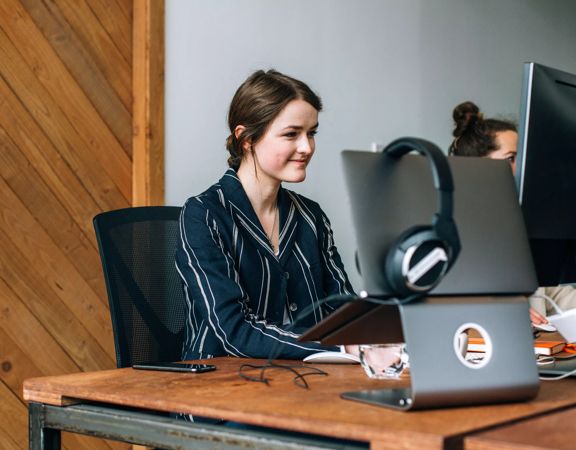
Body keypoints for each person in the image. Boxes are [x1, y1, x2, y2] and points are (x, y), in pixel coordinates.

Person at [176, 69, 355, 362]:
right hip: (219, 391)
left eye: (311, 133)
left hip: (307, 383)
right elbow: (232, 332)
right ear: (246, 138)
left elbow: (344, 313)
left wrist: (380, 340)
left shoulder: (311, 216)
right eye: (291, 134)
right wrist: (337, 350)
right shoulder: (203, 215)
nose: (306, 147)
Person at [449, 101, 576, 325]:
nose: (525, 166)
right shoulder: (455, 233)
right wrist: (498, 311)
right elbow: (442, 306)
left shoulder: (515, 229)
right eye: (511, 159)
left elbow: (550, 295)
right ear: (477, 167)